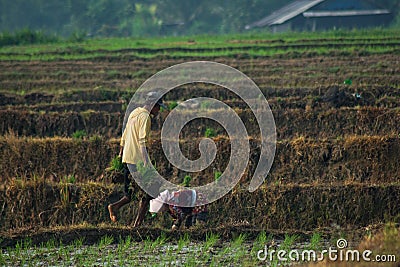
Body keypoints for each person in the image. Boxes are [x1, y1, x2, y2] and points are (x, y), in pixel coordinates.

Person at [108, 92, 166, 227]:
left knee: (130, 193)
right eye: (158, 107)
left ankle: (114, 207)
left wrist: (120, 154)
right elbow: (142, 141)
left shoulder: (135, 112)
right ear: (152, 105)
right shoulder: (145, 117)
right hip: (137, 159)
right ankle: (137, 225)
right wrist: (146, 163)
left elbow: (124, 135)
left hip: (128, 158)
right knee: (147, 193)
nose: (158, 111)